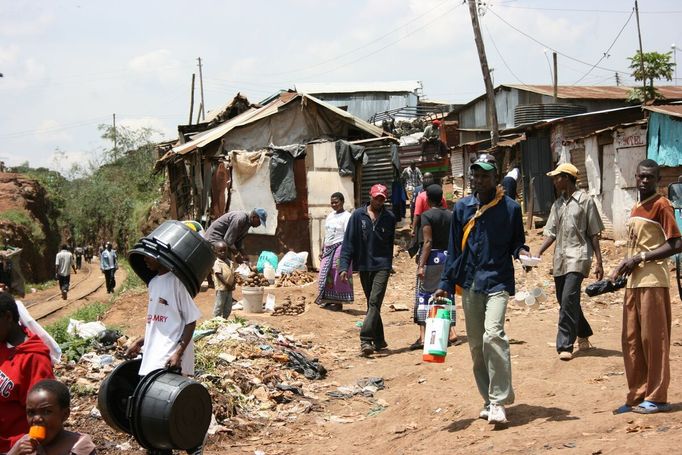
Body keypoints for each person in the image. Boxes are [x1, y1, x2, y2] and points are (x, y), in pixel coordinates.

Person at [435, 153, 529, 425]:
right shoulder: (462, 209)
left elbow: (517, 243)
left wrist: (523, 254)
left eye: (485, 175)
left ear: (495, 178)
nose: (479, 179)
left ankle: (499, 400)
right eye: (475, 175)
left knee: (493, 335)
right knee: (476, 346)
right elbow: (454, 250)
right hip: (470, 283)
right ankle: (488, 399)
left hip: (497, 280)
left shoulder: (511, 208)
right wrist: (445, 284)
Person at [611, 159, 682, 415]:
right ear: (635, 176)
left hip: (653, 281)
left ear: (658, 179)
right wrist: (621, 267)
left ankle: (657, 396)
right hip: (634, 283)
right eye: (641, 176)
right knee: (631, 340)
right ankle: (636, 395)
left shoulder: (662, 205)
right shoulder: (636, 207)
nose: (644, 181)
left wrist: (639, 258)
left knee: (654, 339)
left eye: (650, 177)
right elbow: (635, 245)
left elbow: (676, 243)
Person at [536, 162, 604, 361]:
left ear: (566, 178)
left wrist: (599, 262)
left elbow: (594, 233)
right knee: (566, 300)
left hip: (579, 257)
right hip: (560, 259)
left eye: (557, 177)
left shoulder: (585, 201)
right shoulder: (557, 204)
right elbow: (552, 233)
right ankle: (583, 332)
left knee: (567, 300)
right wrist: (538, 252)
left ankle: (565, 345)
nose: (554, 182)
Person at [339, 184, 396, 357]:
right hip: (364, 265)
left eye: (382, 198)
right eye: (376, 197)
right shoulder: (358, 215)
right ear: (370, 196)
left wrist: (389, 264)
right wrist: (344, 266)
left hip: (382, 265)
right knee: (373, 303)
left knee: (374, 301)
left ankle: (365, 339)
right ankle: (379, 340)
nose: (379, 201)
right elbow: (348, 242)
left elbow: (390, 243)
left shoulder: (389, 217)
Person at [125, 255, 201, 378]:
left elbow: (191, 321)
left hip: (169, 354)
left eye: (148, 256)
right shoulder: (153, 283)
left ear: (160, 257)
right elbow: (159, 322)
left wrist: (179, 353)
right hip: (153, 352)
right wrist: (139, 342)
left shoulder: (177, 283)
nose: (144, 259)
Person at [0, 293, 55, 453]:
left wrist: (26, 447)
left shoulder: (34, 359)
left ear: (8, 317)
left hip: (14, 447)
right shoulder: (2, 344)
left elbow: (43, 417)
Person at [411, 184, 457, 350]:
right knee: (446, 293)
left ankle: (423, 336)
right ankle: (451, 332)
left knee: (423, 295)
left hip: (432, 259)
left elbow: (428, 242)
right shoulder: (451, 215)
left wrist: (421, 265)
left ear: (428, 199)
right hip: (448, 258)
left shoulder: (427, 216)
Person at [7, 379, 95, 455]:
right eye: (31, 412)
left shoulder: (79, 445)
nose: (37, 418)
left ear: (65, 414)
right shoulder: (25, 445)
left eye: (46, 411)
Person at [315, 192, 353, 311]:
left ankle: (338, 302)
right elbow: (327, 233)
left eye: (336, 202)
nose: (334, 204)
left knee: (337, 274)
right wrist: (322, 248)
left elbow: (348, 235)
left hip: (340, 247)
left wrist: (346, 252)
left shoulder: (347, 216)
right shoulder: (330, 215)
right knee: (324, 274)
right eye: (332, 202)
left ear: (342, 202)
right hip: (328, 248)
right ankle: (328, 299)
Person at [212, 241, 235, 319]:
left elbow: (233, 274)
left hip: (229, 288)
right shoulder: (217, 263)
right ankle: (215, 320)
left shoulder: (230, 262)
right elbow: (218, 275)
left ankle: (225, 319)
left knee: (228, 306)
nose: (223, 252)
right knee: (219, 305)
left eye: (225, 250)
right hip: (222, 288)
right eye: (220, 251)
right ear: (215, 252)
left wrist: (233, 283)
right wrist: (226, 284)